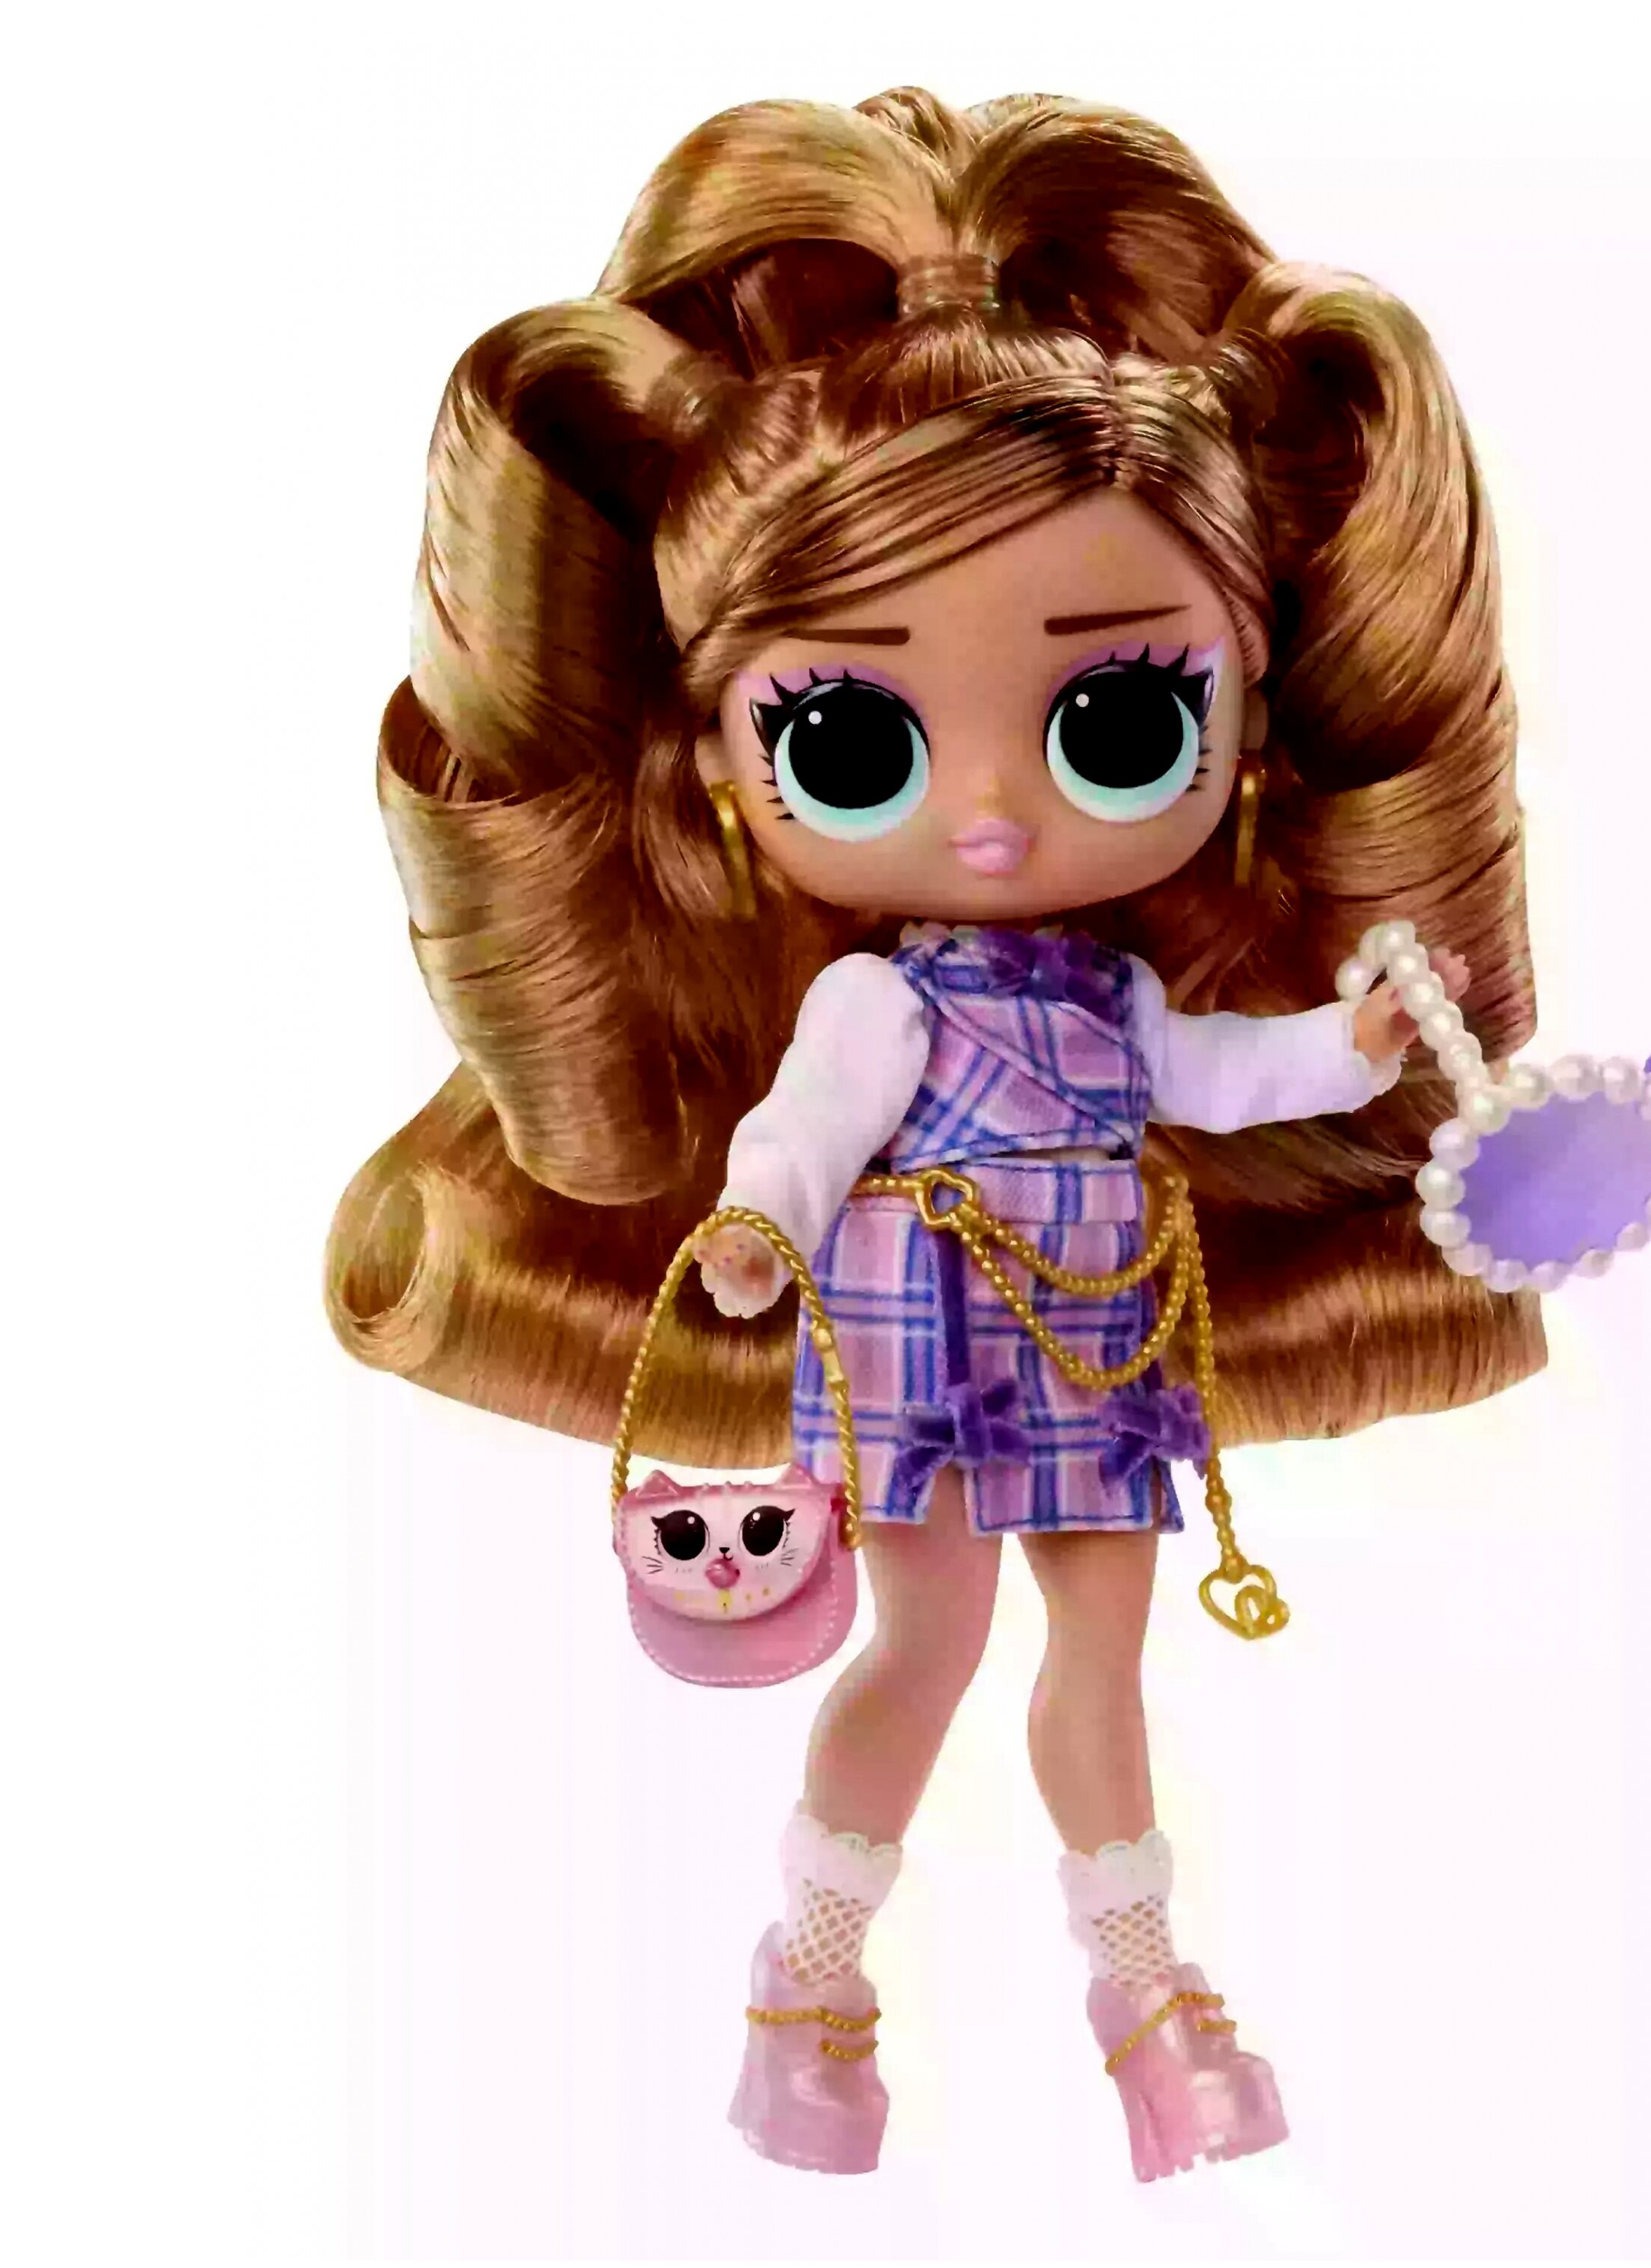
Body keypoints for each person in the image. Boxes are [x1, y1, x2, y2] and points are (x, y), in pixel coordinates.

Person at [327, 86, 1543, 2182]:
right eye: (851, 733)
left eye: (1117, 720)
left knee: (1102, 1658)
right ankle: (807, 1983)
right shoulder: (877, 1001)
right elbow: (805, 1134)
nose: (987, 814)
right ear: (718, 765)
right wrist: (752, 1227)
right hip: (924, 1338)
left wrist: (1355, 1046)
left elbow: (1216, 1078)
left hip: (1103, 1327)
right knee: (929, 1642)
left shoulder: (1109, 1003)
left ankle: (1145, 1987)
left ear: (1249, 721)